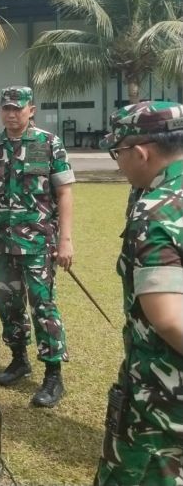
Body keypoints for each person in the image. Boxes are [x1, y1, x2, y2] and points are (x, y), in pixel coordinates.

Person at [94, 101, 183, 486]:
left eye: (119, 153)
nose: (119, 164)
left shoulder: (157, 212)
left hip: (161, 404)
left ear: (141, 151)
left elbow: (168, 319)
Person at [0, 86, 75, 408]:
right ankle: (19, 359)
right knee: (8, 304)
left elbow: (64, 193)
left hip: (39, 242)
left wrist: (66, 239)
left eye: (18, 108)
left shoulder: (48, 144)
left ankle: (53, 375)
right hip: (1, 243)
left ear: (32, 109)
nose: (11, 113)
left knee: (43, 306)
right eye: (6, 108)